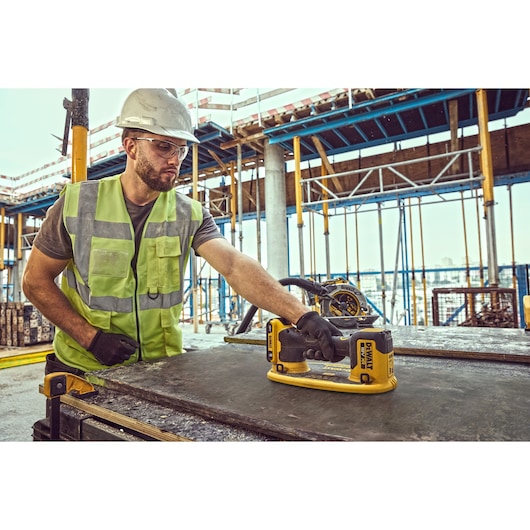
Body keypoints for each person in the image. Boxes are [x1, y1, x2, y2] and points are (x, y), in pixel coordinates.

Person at [22, 88, 341, 375]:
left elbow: (233, 265)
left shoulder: (189, 213)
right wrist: (89, 338)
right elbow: (35, 281)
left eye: (182, 149)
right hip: (83, 368)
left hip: (162, 370)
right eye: (163, 147)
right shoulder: (77, 204)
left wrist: (301, 314)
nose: (175, 160)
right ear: (131, 146)